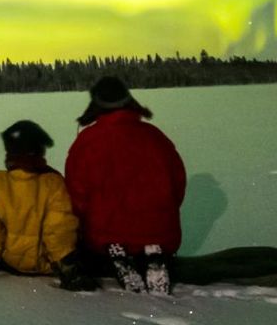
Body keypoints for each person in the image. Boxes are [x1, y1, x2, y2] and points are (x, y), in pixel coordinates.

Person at [65, 76, 187, 294]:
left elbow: (76, 194)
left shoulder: (87, 141)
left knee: (103, 233)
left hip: (103, 233)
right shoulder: (155, 137)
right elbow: (178, 185)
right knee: (149, 231)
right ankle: (153, 249)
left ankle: (117, 249)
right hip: (160, 230)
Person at [0, 119, 95, 290]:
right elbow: (59, 231)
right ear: (39, 151)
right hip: (47, 266)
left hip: (11, 262)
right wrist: (69, 269)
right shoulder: (53, 183)